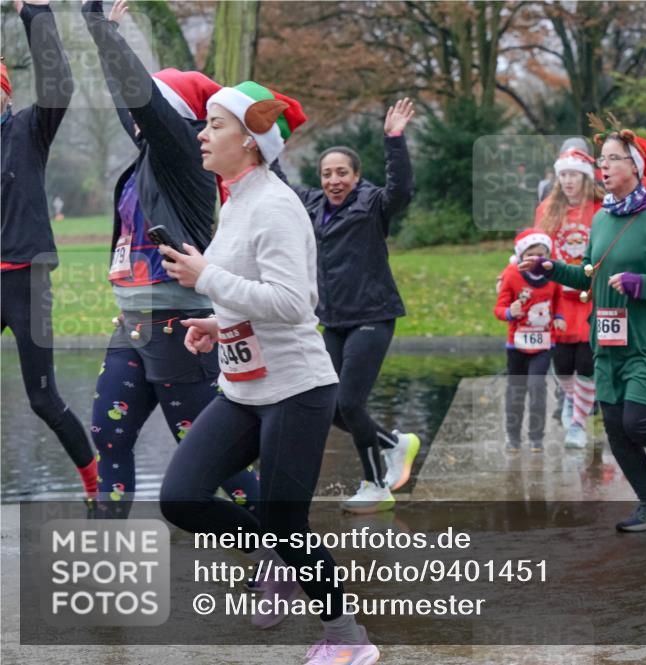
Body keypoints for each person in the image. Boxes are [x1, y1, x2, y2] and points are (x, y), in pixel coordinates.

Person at [157, 80, 379, 665]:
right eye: (205, 124)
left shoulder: (277, 204)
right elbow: (250, 294)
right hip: (244, 388)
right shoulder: (235, 200)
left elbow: (293, 302)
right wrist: (217, 320)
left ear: (252, 142)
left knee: (287, 521)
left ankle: (347, 639)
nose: (203, 134)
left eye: (216, 125)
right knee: (181, 498)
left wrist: (206, 278)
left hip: (298, 390)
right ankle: (270, 556)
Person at [81, 0, 258, 514]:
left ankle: (280, 549)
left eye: (150, 108)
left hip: (178, 324)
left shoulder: (183, 157)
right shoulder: (148, 157)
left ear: (176, 116)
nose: (134, 117)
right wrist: (104, 30)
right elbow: (129, 102)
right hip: (133, 322)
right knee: (108, 433)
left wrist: (100, 29)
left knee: (212, 459)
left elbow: (140, 101)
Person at [521, 126, 646, 532]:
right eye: (601, 159)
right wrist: (550, 268)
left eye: (612, 159)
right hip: (608, 339)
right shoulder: (603, 218)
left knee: (637, 421)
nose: (602, 166)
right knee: (614, 426)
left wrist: (641, 284)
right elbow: (590, 275)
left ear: (635, 167)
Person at [276, 99, 420, 515]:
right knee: (328, 405)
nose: (334, 180)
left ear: (356, 176)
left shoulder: (372, 204)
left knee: (351, 403)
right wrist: (265, 143)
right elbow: (279, 184)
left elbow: (402, 190)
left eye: (342, 173)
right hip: (333, 320)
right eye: (327, 174)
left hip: (372, 316)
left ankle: (376, 483)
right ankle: (395, 443)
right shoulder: (313, 206)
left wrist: (394, 140)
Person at [1, 0, 97, 499]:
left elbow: (59, 84)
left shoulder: (27, 131)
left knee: (42, 398)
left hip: (26, 281)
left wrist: (34, 13)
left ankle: (94, 484)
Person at [535, 146, 602, 448]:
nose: (568, 181)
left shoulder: (602, 209)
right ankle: (570, 401)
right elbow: (537, 246)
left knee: (587, 362)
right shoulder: (548, 208)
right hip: (560, 298)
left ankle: (578, 422)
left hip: (591, 297)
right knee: (562, 363)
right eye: (563, 175)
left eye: (574, 174)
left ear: (585, 177)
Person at [495, 230, 565, 452]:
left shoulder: (552, 274)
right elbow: (499, 308)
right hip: (516, 345)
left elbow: (559, 299)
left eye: (540, 255)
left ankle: (536, 437)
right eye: (530, 255)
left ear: (547, 255)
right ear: (521, 255)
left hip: (544, 344)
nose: (535, 260)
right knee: (516, 391)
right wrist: (508, 312)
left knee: (537, 388)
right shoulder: (512, 275)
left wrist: (560, 317)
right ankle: (513, 436)